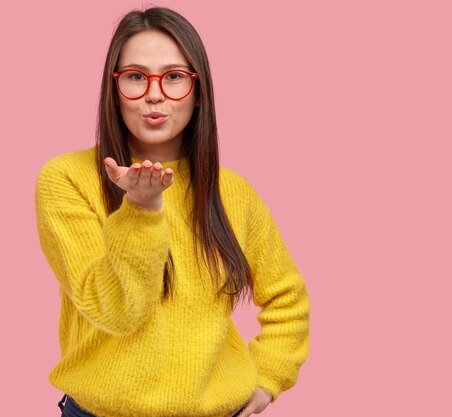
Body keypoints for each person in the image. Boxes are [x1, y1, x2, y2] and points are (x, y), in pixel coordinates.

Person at [35, 6, 310, 417]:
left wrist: (269, 378)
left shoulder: (232, 192)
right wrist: (140, 211)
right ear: (113, 89)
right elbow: (115, 311)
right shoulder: (67, 179)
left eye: (175, 77)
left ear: (199, 93)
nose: (154, 93)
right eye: (134, 76)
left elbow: (288, 299)